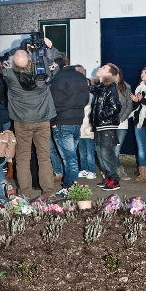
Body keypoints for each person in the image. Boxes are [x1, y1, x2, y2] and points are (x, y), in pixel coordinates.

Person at [2, 49, 56, 201]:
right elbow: (55, 66)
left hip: (22, 122)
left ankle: (25, 193)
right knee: (44, 157)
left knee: (23, 158)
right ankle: (48, 192)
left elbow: (3, 69)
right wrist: (49, 50)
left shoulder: (10, 75)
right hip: (42, 120)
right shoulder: (43, 75)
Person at [50, 60, 90, 197]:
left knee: (69, 159)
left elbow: (55, 102)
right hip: (77, 121)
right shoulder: (80, 77)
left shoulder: (59, 78)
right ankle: (70, 186)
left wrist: (53, 121)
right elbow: (86, 100)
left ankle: (69, 188)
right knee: (71, 156)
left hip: (62, 121)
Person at [90, 63, 122, 191]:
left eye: (103, 68)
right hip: (100, 126)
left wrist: (101, 116)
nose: (99, 68)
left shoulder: (111, 88)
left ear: (110, 74)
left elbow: (115, 107)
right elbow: (92, 89)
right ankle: (108, 177)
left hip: (106, 126)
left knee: (106, 153)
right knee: (100, 152)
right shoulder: (102, 88)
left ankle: (114, 180)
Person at [115, 67, 133, 180]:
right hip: (109, 123)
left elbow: (129, 105)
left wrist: (122, 118)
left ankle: (118, 170)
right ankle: (113, 170)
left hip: (122, 123)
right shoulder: (106, 86)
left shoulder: (126, 86)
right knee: (110, 149)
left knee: (116, 148)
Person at [78, 78, 96, 179]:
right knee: (82, 153)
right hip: (80, 129)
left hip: (89, 129)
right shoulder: (77, 96)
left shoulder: (92, 97)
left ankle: (92, 170)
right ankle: (83, 169)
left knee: (90, 153)